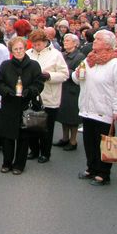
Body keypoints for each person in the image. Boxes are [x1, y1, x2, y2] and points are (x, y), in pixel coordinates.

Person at [73, 30, 117, 186]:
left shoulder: (115, 63)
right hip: (87, 108)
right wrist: (77, 75)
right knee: (89, 142)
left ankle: (103, 173)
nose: (94, 41)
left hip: (105, 110)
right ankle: (91, 168)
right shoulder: (89, 59)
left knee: (104, 144)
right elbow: (77, 79)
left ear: (107, 44)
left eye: (98, 39)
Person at [0, 37, 44, 175]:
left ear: (25, 48)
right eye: (15, 49)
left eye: (21, 48)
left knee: (24, 137)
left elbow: (39, 84)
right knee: (7, 136)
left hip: (26, 105)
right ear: (11, 51)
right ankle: (7, 162)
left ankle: (19, 165)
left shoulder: (34, 65)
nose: (19, 51)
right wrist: (7, 92)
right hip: (9, 104)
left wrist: (29, 92)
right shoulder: (5, 65)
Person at [26, 29, 69, 163]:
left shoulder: (55, 55)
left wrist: (49, 75)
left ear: (45, 42)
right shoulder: (28, 53)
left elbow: (64, 74)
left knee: (46, 128)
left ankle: (45, 152)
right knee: (31, 125)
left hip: (49, 95)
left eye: (38, 44)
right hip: (32, 95)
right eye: (33, 44)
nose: (35, 47)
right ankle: (34, 150)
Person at [54, 34, 86, 151]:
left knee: (72, 117)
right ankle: (64, 138)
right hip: (62, 87)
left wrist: (65, 71)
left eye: (68, 40)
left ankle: (73, 141)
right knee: (63, 115)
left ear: (75, 43)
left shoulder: (80, 56)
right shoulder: (62, 55)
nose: (65, 42)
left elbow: (80, 73)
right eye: (65, 40)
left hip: (73, 89)